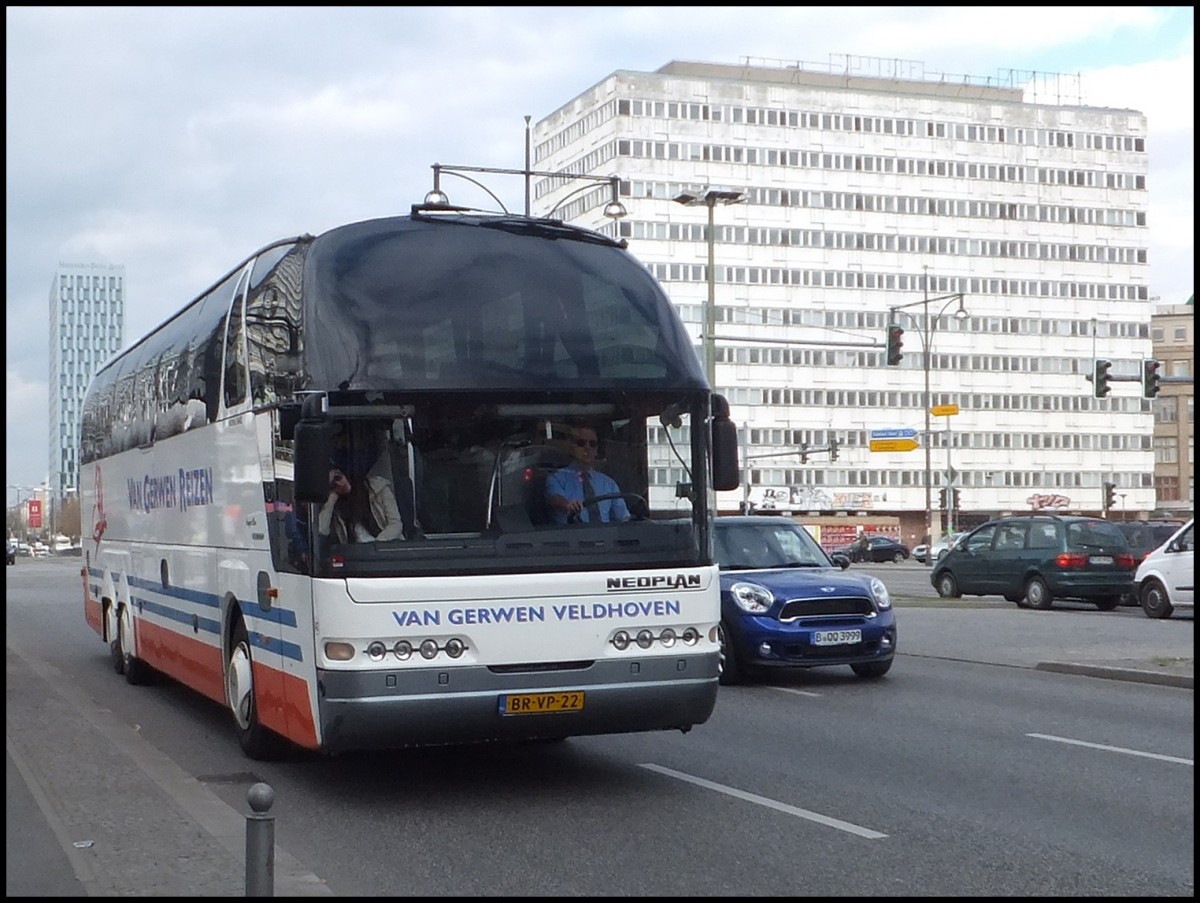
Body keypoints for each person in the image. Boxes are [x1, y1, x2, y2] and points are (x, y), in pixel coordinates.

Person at [545, 425, 630, 524]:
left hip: (606, 537)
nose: (587, 448)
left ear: (597, 450)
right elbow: (555, 500)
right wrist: (568, 505)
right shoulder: (557, 478)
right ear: (571, 447)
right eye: (581, 443)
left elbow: (623, 518)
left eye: (592, 444)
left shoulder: (609, 484)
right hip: (571, 536)